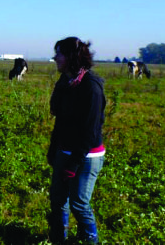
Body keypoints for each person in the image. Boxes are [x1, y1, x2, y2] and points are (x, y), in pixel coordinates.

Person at [47, 37, 106, 244]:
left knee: (79, 203)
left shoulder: (91, 87)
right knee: (57, 198)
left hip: (88, 155)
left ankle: (90, 239)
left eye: (59, 53)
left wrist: (74, 162)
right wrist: (54, 149)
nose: (55, 57)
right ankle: (58, 237)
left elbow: (89, 133)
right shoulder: (65, 82)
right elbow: (60, 121)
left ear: (71, 57)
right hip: (65, 150)